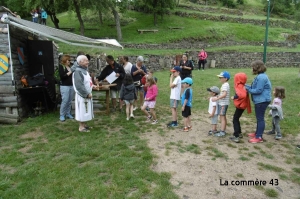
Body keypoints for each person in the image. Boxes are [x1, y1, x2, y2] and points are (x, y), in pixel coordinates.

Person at [245, 60, 272, 143]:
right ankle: (257, 133)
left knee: (260, 118)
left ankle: (259, 137)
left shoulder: (261, 77)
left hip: (262, 101)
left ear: (257, 67)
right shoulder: (261, 76)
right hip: (261, 100)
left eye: (253, 67)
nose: (252, 69)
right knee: (259, 117)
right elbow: (254, 87)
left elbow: (258, 90)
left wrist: (247, 89)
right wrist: (244, 84)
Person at [73, 55, 97, 132]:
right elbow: (79, 85)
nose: (88, 62)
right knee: (82, 110)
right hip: (82, 95)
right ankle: (81, 127)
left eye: (87, 60)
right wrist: (86, 94)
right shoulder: (78, 72)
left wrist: (92, 86)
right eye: (86, 60)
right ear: (80, 62)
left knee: (86, 110)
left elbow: (87, 82)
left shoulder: (85, 71)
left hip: (87, 94)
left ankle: (84, 125)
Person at [229, 73, 252, 143]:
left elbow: (241, 95)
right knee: (237, 118)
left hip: (241, 105)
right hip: (243, 104)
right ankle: (239, 133)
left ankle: (236, 136)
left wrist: (234, 97)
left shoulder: (239, 86)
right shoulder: (243, 85)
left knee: (235, 119)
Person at [212, 71, 231, 137]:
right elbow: (222, 94)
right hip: (223, 103)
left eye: (221, 77)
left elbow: (224, 94)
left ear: (225, 78)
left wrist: (217, 98)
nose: (220, 79)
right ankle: (223, 130)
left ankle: (222, 131)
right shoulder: (225, 85)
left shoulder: (225, 85)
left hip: (223, 104)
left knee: (222, 117)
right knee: (223, 117)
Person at [58, 55, 75, 122]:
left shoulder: (69, 67)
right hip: (64, 86)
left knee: (70, 101)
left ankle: (68, 113)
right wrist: (70, 71)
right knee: (65, 100)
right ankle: (62, 115)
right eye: (68, 60)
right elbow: (62, 76)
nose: (69, 62)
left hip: (71, 85)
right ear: (65, 60)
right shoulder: (61, 67)